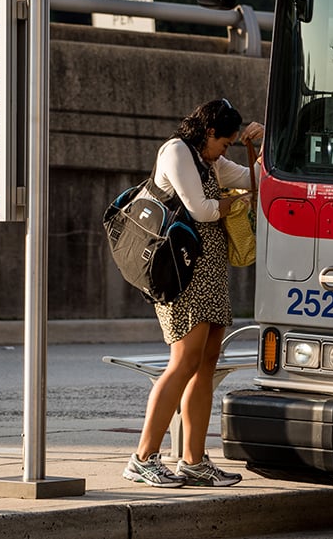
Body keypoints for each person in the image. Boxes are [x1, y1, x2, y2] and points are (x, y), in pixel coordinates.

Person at [123, 98, 264, 488]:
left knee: (207, 364)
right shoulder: (177, 152)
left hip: (210, 273)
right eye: (225, 142)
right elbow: (200, 209)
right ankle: (143, 458)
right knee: (183, 362)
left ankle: (194, 460)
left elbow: (254, 176)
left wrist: (265, 143)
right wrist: (235, 202)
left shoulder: (210, 161)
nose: (226, 150)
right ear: (208, 133)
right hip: (181, 273)